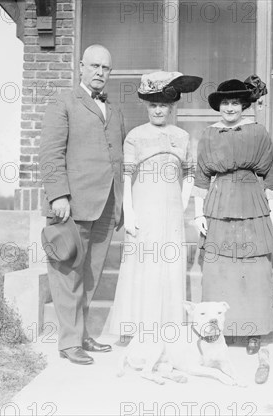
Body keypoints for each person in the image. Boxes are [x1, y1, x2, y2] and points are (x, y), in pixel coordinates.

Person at [39, 44, 126, 365]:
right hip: (71, 205)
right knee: (67, 271)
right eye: (94, 66)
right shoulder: (62, 102)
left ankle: (82, 334)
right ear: (80, 67)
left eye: (106, 68)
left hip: (106, 207)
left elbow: (118, 161)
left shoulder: (114, 111)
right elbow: (50, 153)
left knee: (90, 274)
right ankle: (68, 342)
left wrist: (120, 205)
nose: (100, 73)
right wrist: (57, 194)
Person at [109, 71, 202, 337]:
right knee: (142, 265)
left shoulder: (182, 137)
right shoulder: (135, 136)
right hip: (143, 208)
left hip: (171, 211)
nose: (158, 110)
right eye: (153, 105)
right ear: (146, 106)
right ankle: (137, 328)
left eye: (164, 105)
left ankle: (166, 329)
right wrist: (129, 212)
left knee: (169, 267)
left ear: (172, 108)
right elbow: (125, 177)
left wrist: (183, 205)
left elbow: (190, 175)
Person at [193, 75, 273, 356]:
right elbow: (202, 176)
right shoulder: (208, 134)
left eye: (236, 103)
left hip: (251, 202)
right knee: (220, 268)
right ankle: (221, 330)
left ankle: (253, 331)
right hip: (219, 204)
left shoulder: (258, 133)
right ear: (220, 106)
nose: (230, 108)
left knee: (253, 269)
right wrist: (198, 214)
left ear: (244, 105)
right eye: (226, 103)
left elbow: (270, 172)